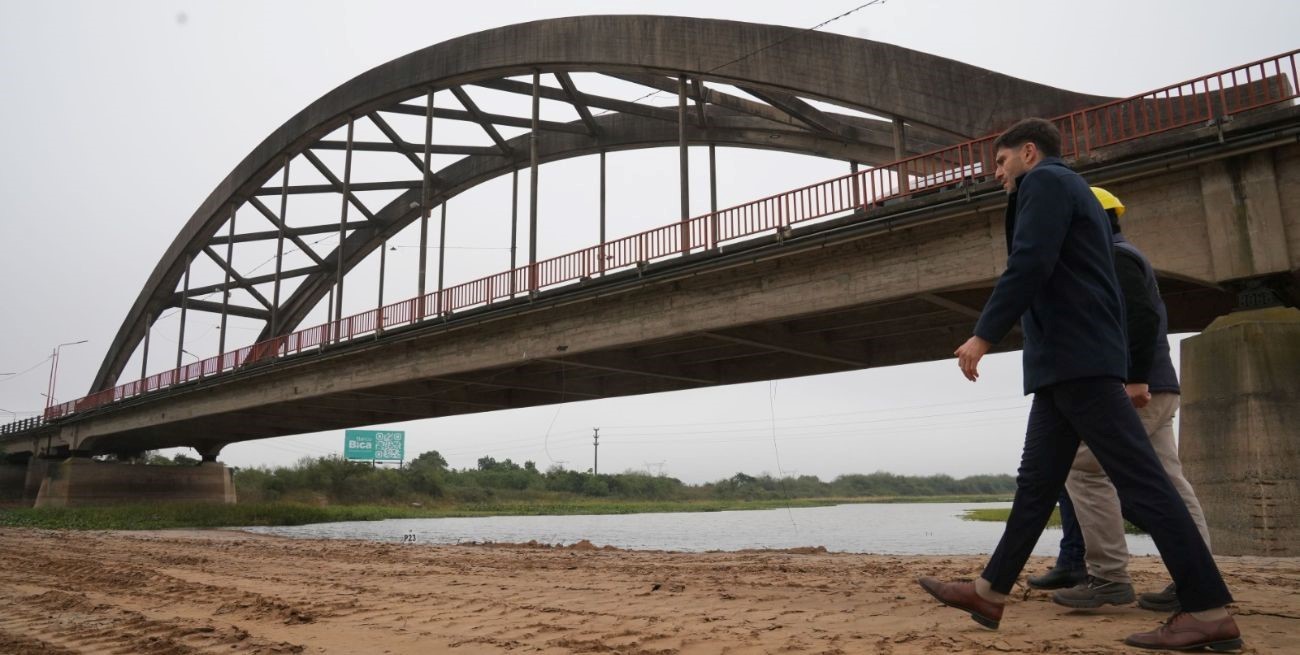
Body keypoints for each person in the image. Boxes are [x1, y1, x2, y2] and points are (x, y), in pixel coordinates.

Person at [916, 118, 1242, 651]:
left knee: (1144, 484)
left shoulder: (1046, 182)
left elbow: (1030, 262)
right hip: (1069, 362)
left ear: (1028, 152)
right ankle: (989, 591)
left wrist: (983, 335)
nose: (996, 174)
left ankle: (1207, 610)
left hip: (1075, 360)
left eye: (1000, 163)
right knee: (1036, 485)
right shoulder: (1074, 193)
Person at [1047, 187, 1212, 613]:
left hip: (1138, 388)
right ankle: (1198, 576)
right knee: (1170, 481)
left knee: (1083, 467)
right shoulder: (1122, 253)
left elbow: (1140, 316)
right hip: (1158, 386)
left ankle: (1108, 578)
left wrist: (1135, 378)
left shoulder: (1113, 257)